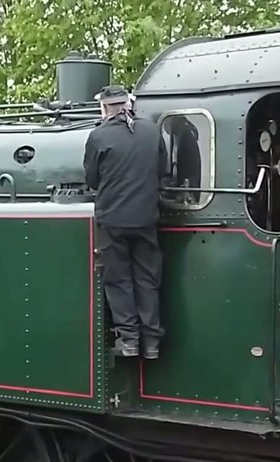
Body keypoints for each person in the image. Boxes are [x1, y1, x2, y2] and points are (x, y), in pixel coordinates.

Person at [83, 84, 169, 360]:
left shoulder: (98, 136)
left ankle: (129, 340)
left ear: (104, 107)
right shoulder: (151, 131)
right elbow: (163, 170)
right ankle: (152, 342)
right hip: (146, 217)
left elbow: (92, 180)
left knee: (118, 280)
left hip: (113, 219)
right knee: (148, 279)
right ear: (128, 104)